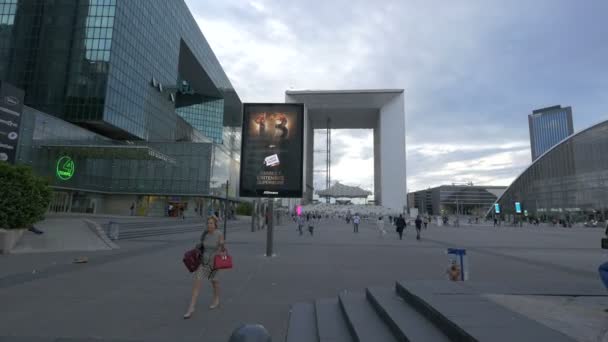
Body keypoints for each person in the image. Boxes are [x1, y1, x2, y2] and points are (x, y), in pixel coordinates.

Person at [184, 216, 226, 319]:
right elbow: (202, 246)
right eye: (208, 223)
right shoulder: (205, 234)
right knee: (196, 284)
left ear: (215, 224)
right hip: (203, 262)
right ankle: (191, 307)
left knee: (214, 282)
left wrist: (222, 245)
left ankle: (216, 299)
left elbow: (223, 250)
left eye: (211, 223)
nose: (209, 225)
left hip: (214, 263)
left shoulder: (219, 234)